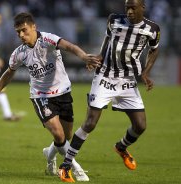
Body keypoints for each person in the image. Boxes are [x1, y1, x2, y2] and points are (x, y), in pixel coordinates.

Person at [0, 12, 101, 181]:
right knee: (59, 135)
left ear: (33, 27)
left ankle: (50, 154)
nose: (21, 35)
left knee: (65, 137)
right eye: (18, 32)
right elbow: (9, 73)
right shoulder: (19, 53)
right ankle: (75, 168)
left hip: (63, 91)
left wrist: (83, 56)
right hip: (40, 96)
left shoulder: (48, 39)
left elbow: (69, 47)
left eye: (24, 30)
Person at [59, 0, 160, 182]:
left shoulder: (152, 29)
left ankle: (121, 147)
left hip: (128, 80)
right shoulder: (114, 19)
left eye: (133, 8)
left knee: (140, 126)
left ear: (142, 8)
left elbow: (154, 49)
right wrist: (99, 56)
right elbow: (107, 38)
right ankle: (65, 166)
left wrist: (146, 72)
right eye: (127, 7)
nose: (129, 11)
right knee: (90, 123)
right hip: (105, 76)